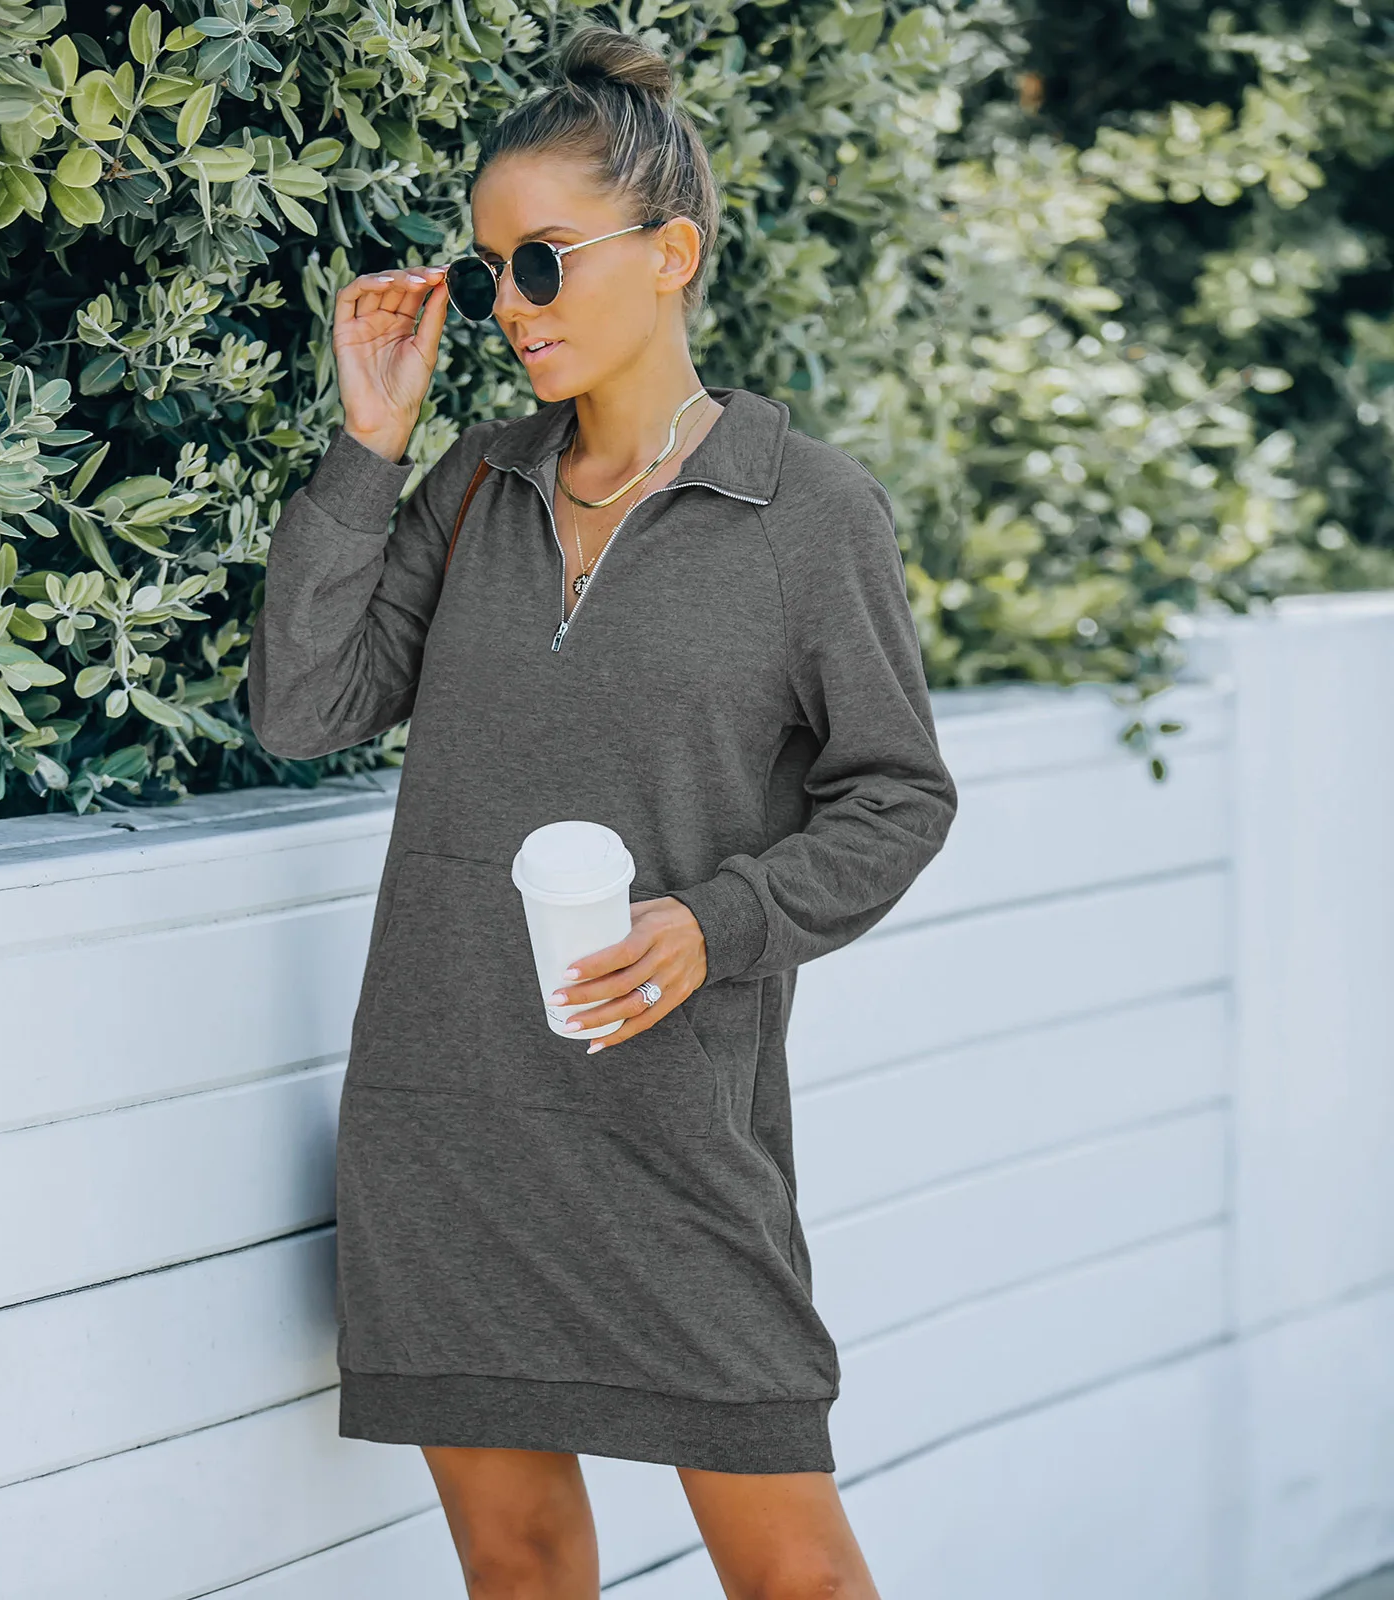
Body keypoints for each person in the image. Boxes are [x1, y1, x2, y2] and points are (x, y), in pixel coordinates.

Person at [250, 23, 957, 1600]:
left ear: (672, 254)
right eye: (489, 269)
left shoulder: (809, 513)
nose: (510, 306)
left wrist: (719, 925)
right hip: (446, 1121)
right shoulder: (476, 485)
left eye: (544, 262)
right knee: (518, 1569)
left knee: (798, 1579)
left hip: (673, 1131)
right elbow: (304, 711)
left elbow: (898, 795)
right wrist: (370, 446)